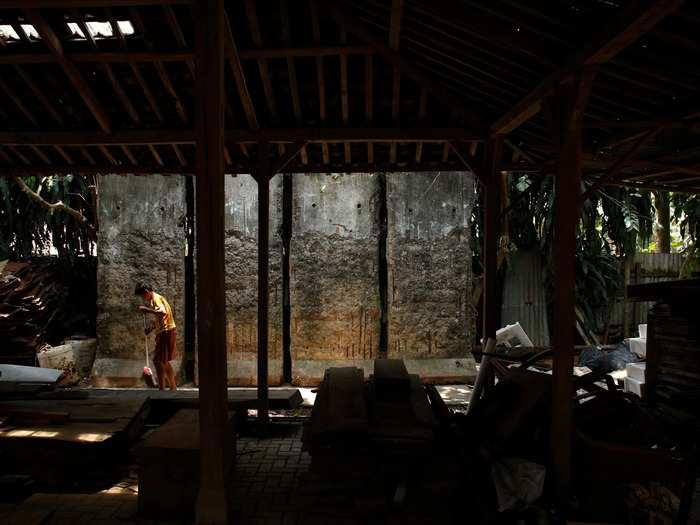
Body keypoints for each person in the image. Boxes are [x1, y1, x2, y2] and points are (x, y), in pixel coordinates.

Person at [134, 284, 177, 391]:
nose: (143, 298)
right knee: (164, 361)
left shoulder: (156, 299)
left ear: (146, 291)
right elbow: (160, 317)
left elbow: (162, 313)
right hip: (167, 330)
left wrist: (147, 310)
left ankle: (161, 389)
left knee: (157, 361)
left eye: (142, 296)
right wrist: (151, 328)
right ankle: (173, 387)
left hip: (165, 331)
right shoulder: (155, 299)